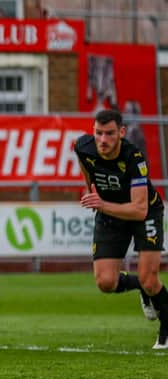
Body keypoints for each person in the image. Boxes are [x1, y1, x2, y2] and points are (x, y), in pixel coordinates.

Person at [74, 109, 168, 350]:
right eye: (98, 133)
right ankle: (141, 289)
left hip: (145, 213)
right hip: (109, 214)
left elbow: (139, 210)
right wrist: (91, 190)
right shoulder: (84, 147)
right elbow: (86, 167)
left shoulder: (134, 158)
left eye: (109, 134)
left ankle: (165, 329)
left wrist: (102, 204)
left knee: (150, 279)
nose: (102, 140)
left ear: (121, 133)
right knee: (105, 282)